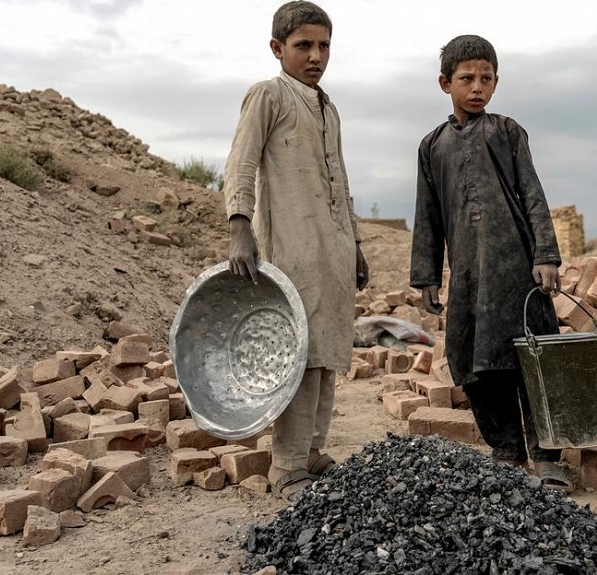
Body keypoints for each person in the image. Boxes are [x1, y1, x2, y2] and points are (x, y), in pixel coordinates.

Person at [409, 35, 572, 491]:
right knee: (475, 362)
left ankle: (546, 455)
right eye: (467, 79)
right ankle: (505, 448)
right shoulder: (431, 146)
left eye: (486, 79)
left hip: (518, 269)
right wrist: (426, 276)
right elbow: (428, 215)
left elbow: (534, 195)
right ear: (446, 83)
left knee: (532, 359)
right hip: (466, 275)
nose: (477, 87)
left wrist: (546, 255)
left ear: (496, 82)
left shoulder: (507, 131)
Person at [222, 0, 368, 503]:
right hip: (291, 246)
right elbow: (240, 162)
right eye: (304, 45)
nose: (315, 55)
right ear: (277, 48)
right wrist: (240, 228)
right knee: (298, 355)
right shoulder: (268, 95)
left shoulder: (329, 106)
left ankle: (311, 452)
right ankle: (285, 465)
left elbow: (341, 182)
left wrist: (357, 244)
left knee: (327, 353)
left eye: (324, 45)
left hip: (334, 248)